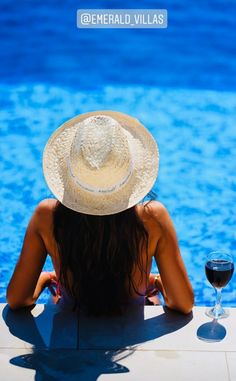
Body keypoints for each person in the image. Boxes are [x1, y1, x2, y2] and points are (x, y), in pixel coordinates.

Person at [7, 111, 194, 315]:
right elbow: (182, 303)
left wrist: (46, 278)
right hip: (128, 331)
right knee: (152, 299)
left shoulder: (47, 216)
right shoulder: (152, 219)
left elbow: (18, 300)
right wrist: (156, 281)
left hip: (70, 331)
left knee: (57, 298)